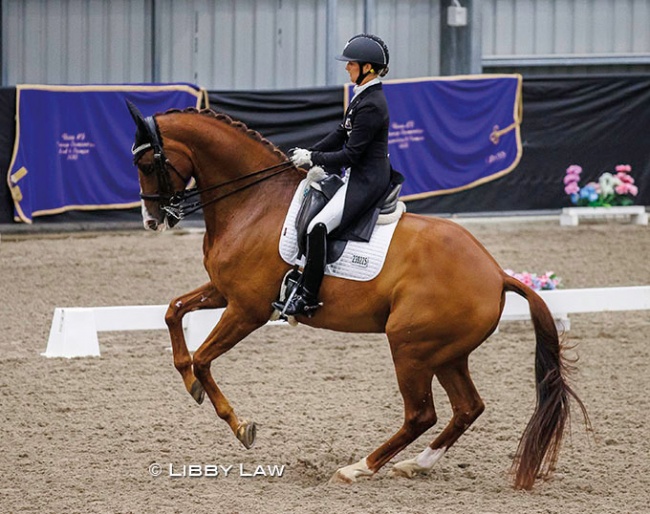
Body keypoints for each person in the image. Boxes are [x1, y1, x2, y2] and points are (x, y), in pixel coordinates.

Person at [273, 33, 393, 317]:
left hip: (367, 180)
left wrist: (313, 158)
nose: (346, 67)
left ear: (368, 67)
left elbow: (351, 155)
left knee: (318, 227)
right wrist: (308, 151)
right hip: (359, 174)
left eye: (351, 63)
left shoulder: (373, 105)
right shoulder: (362, 97)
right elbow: (341, 133)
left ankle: (307, 296)